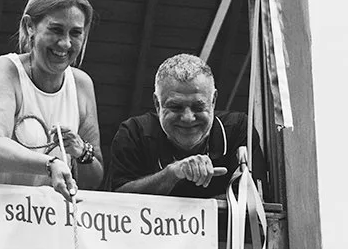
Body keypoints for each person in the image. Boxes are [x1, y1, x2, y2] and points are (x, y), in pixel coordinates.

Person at [0, 0, 104, 188]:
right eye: (56, 29)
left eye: (75, 33)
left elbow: (94, 179)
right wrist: (50, 164)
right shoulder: (7, 70)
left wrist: (81, 152)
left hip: (40, 209)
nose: (65, 43)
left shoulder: (82, 84)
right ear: (30, 26)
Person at [106, 55, 260, 201]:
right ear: (157, 104)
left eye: (198, 107)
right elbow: (114, 199)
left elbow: (256, 198)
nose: (188, 118)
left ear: (213, 101)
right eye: (176, 107)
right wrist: (171, 173)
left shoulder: (238, 130)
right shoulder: (134, 133)